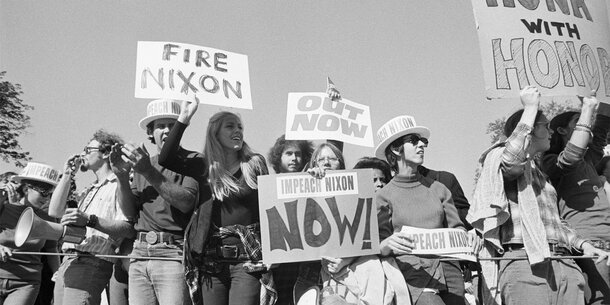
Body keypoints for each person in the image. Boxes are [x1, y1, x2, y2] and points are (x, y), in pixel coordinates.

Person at [468, 86, 610, 305]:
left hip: (564, 262)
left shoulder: (541, 175)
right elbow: (512, 158)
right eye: (545, 125)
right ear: (530, 129)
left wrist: (583, 245)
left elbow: (556, 224)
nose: (551, 131)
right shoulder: (502, 160)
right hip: (526, 263)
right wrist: (531, 107)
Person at [158, 99, 271, 305]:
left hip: (247, 260)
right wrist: (184, 118)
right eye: (230, 126)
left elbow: (272, 205)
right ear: (215, 134)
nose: (237, 130)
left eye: (240, 127)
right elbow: (166, 158)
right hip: (212, 260)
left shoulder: (254, 164)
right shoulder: (203, 166)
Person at [110, 99, 199, 305]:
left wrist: (148, 172)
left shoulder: (193, 160)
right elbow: (130, 212)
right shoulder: (143, 164)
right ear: (151, 132)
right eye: (160, 125)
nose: (167, 130)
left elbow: (186, 202)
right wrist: (122, 177)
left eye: (172, 125)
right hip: (139, 252)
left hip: (173, 252)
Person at [374, 115, 466, 305]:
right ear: (395, 149)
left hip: (450, 273)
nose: (421, 145)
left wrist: (467, 236)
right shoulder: (383, 196)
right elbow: (378, 247)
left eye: (423, 141)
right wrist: (388, 244)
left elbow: (458, 229)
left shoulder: (440, 189)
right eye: (413, 141)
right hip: (414, 274)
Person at [48, 129, 134, 305]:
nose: (82, 154)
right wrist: (67, 175)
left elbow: (127, 228)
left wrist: (89, 220)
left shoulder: (119, 185)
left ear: (106, 153)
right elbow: (54, 212)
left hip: (92, 261)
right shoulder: (89, 189)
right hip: (69, 261)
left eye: (88, 150)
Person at [541, 90, 610, 305]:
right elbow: (571, 155)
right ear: (561, 130)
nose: (586, 124)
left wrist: (593, 92)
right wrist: (587, 110)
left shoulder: (590, 158)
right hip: (590, 242)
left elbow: (603, 122)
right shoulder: (550, 161)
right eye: (578, 121)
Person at [0, 162, 61, 305]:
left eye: (50, 194)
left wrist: (57, 272)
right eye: (44, 192)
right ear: (27, 188)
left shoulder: (48, 217)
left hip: (26, 283)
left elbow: (52, 248)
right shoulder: (3, 208)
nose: (47, 199)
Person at [266, 134, 314, 305]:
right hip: (279, 263)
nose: (294, 158)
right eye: (289, 153)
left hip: (306, 262)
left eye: (298, 154)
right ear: (278, 157)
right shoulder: (267, 186)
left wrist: (316, 177)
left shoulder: (313, 181)